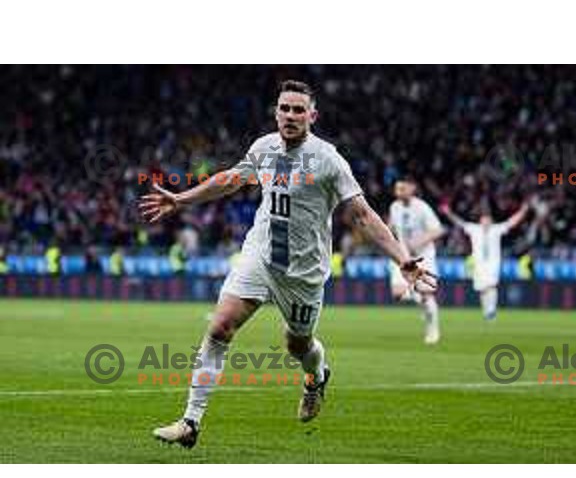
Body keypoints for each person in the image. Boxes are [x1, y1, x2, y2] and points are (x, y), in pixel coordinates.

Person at [139, 80, 436, 448]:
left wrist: (403, 259)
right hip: (260, 255)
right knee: (219, 329)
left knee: (298, 345)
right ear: (276, 112)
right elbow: (231, 179)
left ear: (312, 115)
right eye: (285, 108)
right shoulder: (263, 147)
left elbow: (361, 214)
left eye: (299, 110)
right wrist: (181, 199)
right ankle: (190, 422)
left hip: (304, 272)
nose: (291, 116)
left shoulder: (327, 158)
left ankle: (316, 377)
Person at [440, 202, 529, 320]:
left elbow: (511, 223)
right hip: (479, 264)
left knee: (491, 286)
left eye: (488, 220)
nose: (486, 222)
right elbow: (459, 223)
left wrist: (522, 212)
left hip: (493, 263)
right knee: (482, 289)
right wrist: (448, 213)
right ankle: (487, 311)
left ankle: (491, 311)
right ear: (480, 221)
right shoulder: (474, 229)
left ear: (491, 221)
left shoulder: (496, 229)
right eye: (484, 220)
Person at [388, 179, 444, 344]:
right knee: (398, 293)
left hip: (423, 256)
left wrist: (419, 242)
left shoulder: (422, 207)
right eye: (397, 187)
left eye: (402, 187)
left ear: (412, 188)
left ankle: (433, 329)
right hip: (404, 256)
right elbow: (391, 226)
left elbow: (438, 230)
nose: (398, 190)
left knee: (426, 293)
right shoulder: (394, 207)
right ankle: (419, 298)